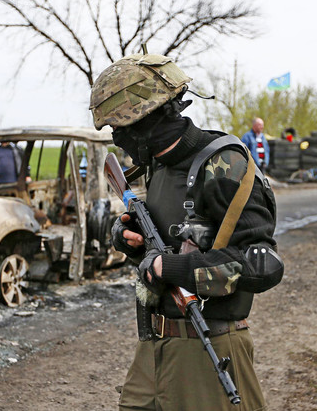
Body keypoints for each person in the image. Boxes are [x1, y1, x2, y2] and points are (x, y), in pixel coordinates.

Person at [90, 53, 283, 411]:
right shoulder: (157, 165)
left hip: (210, 350)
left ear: (148, 120)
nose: (118, 138)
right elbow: (163, 242)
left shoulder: (225, 164)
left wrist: (171, 269)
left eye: (121, 127)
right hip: (153, 348)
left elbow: (262, 266)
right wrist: (129, 239)